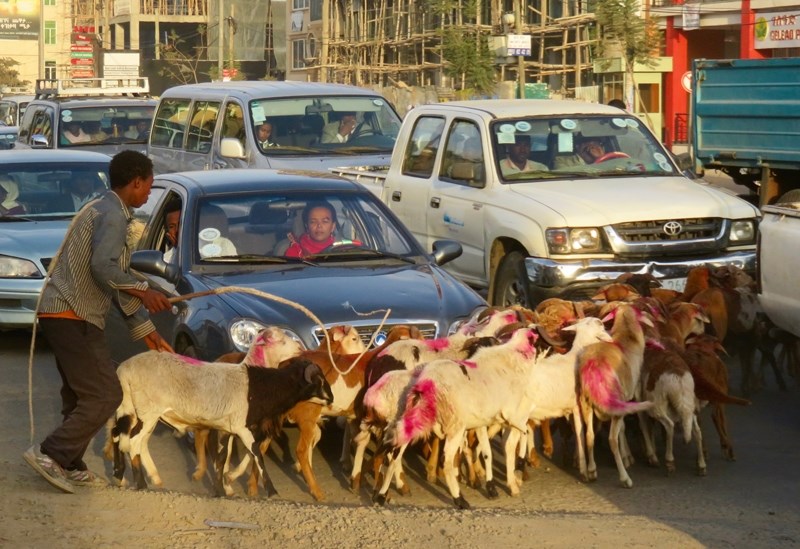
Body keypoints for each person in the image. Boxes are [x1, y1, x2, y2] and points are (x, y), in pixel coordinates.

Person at [23, 150, 174, 494]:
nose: (149, 194)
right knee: (106, 394)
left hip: (71, 314)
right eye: (148, 187)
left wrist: (146, 330)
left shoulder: (102, 207)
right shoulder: (113, 216)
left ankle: (71, 464)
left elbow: (113, 277)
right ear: (136, 182)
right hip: (70, 313)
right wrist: (145, 291)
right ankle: (51, 453)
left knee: (79, 395)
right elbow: (105, 269)